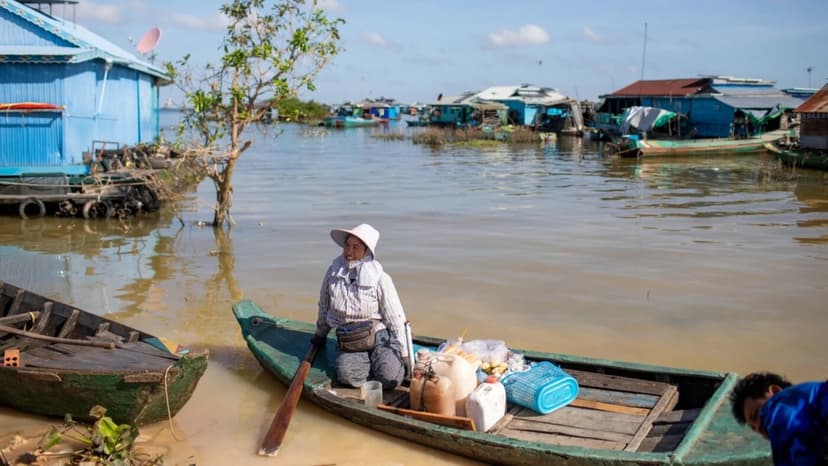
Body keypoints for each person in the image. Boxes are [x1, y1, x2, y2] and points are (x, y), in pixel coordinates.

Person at [313, 223, 409, 389]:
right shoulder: (332, 273)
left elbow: (395, 317)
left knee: (390, 379)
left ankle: (383, 361)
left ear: (367, 251)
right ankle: (369, 364)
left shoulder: (380, 277)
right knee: (347, 378)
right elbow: (324, 306)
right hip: (350, 338)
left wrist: (405, 354)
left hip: (379, 335)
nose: (349, 252)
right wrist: (320, 335)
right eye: (347, 246)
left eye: (355, 247)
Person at [730, 372, 828, 466]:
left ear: (775, 391)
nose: (758, 427)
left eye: (756, 415)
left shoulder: (780, 408)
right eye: (754, 429)